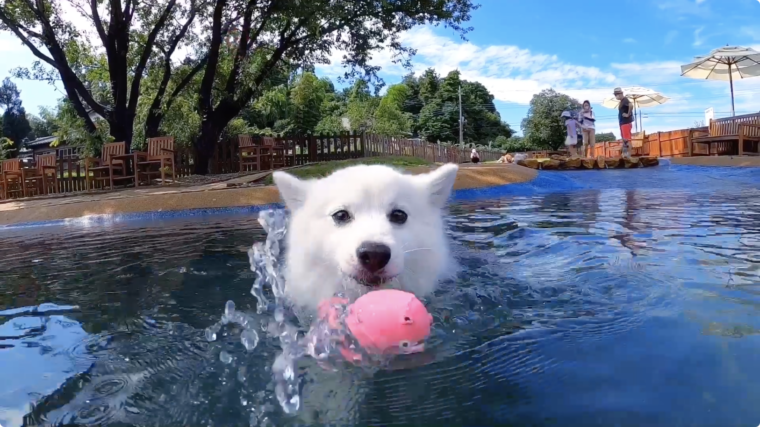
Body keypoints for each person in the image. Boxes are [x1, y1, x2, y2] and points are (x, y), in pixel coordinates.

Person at [614, 87, 634, 158]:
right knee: (624, 140)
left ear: (619, 94)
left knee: (627, 139)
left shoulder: (625, 99)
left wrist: (628, 114)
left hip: (626, 122)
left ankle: (629, 155)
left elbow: (631, 105)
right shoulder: (622, 101)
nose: (615, 96)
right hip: (622, 123)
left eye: (616, 95)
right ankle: (625, 155)